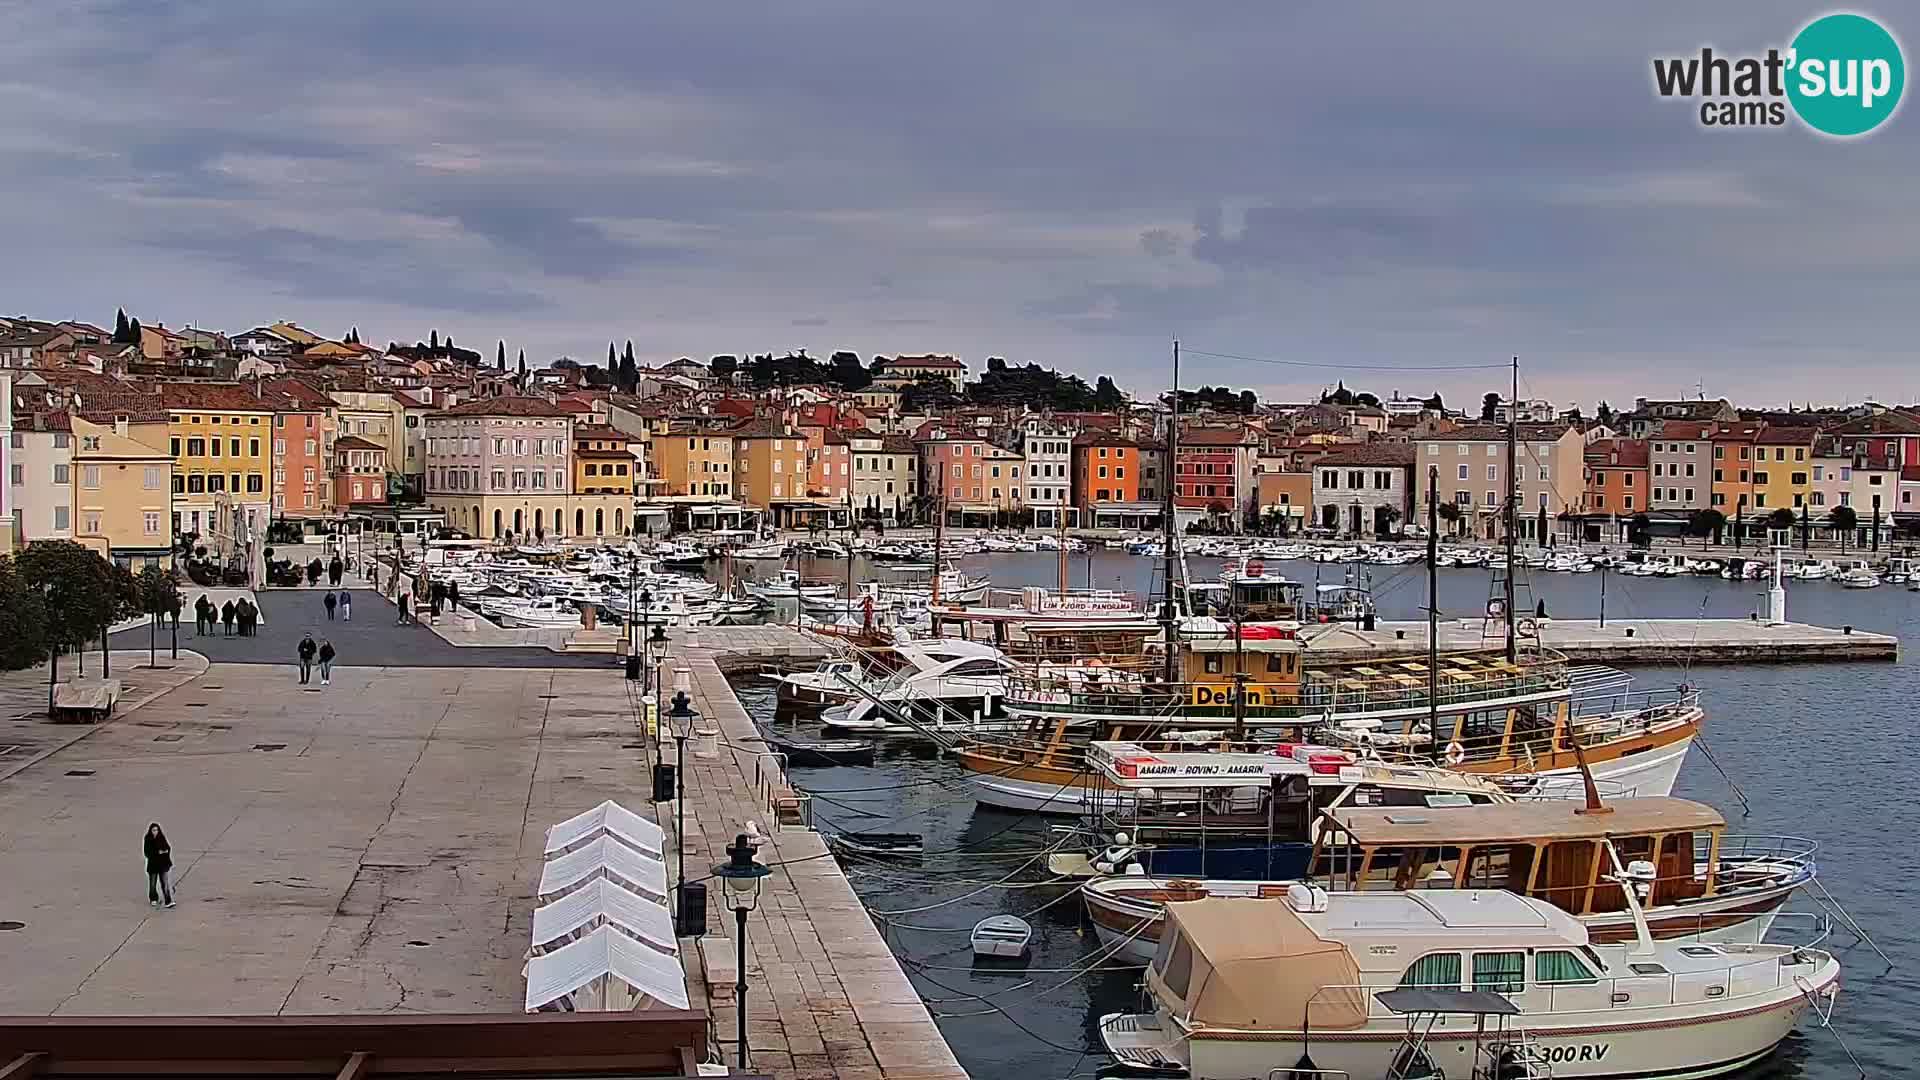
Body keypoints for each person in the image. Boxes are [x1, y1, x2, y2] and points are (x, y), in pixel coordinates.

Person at [144, 823, 175, 908]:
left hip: (162, 865)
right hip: (153, 865)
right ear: (150, 831)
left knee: (165, 883)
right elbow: (147, 853)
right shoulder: (148, 839)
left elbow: (168, 848)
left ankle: (168, 901)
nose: (155, 832)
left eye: (157, 830)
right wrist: (158, 852)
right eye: (153, 830)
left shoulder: (161, 837)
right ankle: (153, 898)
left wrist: (165, 851)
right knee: (153, 884)